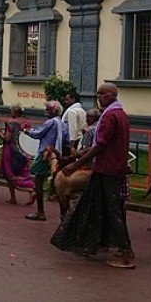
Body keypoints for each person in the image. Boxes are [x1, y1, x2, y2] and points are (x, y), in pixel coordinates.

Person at [51, 83, 135, 269]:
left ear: (113, 95)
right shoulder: (119, 114)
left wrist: (75, 164)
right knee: (101, 207)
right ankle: (100, 243)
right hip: (110, 167)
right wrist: (83, 153)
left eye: (103, 94)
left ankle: (125, 252)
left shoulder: (111, 116)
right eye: (98, 94)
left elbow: (101, 146)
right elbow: (105, 144)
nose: (99, 97)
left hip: (107, 169)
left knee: (112, 211)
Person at [25, 101, 66, 222]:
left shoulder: (50, 122)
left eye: (48, 109)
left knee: (38, 182)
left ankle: (40, 212)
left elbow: (37, 134)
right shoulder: (61, 122)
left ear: (55, 111)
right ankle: (63, 215)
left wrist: (27, 131)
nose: (46, 111)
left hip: (46, 154)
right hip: (56, 155)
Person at [0, 105, 34, 205]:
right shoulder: (26, 123)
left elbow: (7, 138)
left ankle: (27, 192)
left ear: (14, 112)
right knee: (24, 172)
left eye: (11, 111)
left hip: (10, 150)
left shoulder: (11, 123)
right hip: (22, 150)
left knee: (10, 174)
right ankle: (28, 190)